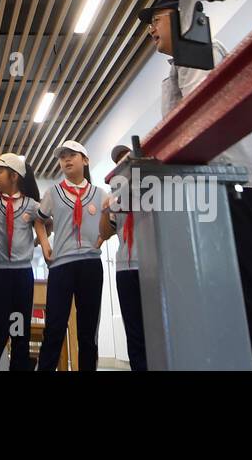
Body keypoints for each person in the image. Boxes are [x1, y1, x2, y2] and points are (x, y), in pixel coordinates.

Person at [138, 0, 252, 371]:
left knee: (242, 298)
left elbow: (196, 127)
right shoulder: (180, 66)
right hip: (218, 191)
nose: (150, 29)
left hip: (231, 189)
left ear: (181, 17)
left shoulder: (199, 52)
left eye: (155, 19)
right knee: (226, 299)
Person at [36, 140, 106, 372]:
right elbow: (39, 219)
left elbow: (111, 222)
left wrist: (102, 237)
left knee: (88, 332)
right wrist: (45, 243)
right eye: (62, 156)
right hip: (61, 266)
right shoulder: (53, 193)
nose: (66, 159)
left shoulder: (100, 194)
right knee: (54, 328)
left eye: (72, 155)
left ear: (85, 160)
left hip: (91, 265)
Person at [0, 152, 48, 372]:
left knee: (19, 331)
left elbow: (48, 222)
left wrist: (40, 239)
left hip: (21, 276)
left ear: (14, 176)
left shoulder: (30, 205)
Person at [98, 144, 146, 371]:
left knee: (157, 328)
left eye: (125, 158)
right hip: (125, 269)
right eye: (117, 162)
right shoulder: (115, 197)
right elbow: (106, 233)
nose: (121, 163)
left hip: (152, 268)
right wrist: (105, 210)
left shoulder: (152, 187)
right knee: (134, 332)